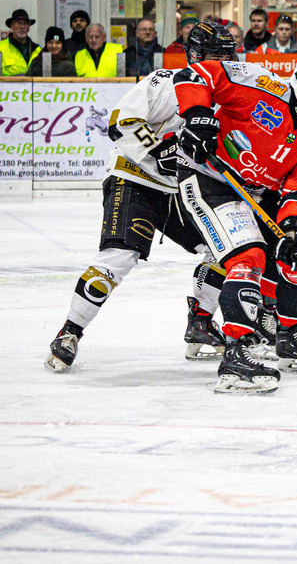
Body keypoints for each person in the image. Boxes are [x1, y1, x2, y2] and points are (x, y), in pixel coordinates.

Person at [45, 22, 240, 374]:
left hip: (180, 188)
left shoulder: (229, 95)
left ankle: (199, 325)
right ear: (195, 56)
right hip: (134, 176)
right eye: (214, 57)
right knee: (120, 255)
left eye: (226, 57)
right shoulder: (166, 81)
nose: (221, 64)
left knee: (226, 249)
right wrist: (158, 149)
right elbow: (120, 121)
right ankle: (69, 332)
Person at [172, 51, 297, 393]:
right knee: (247, 257)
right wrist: (196, 116)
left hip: (251, 192)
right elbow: (197, 74)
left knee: (288, 251)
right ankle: (236, 355)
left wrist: (294, 229)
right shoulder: (261, 85)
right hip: (206, 175)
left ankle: (282, 335)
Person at [0, 9, 40, 76]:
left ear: (29, 28)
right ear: (11, 26)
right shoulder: (1, 48)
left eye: (25, 23)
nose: (22, 27)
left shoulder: (38, 51)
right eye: (18, 23)